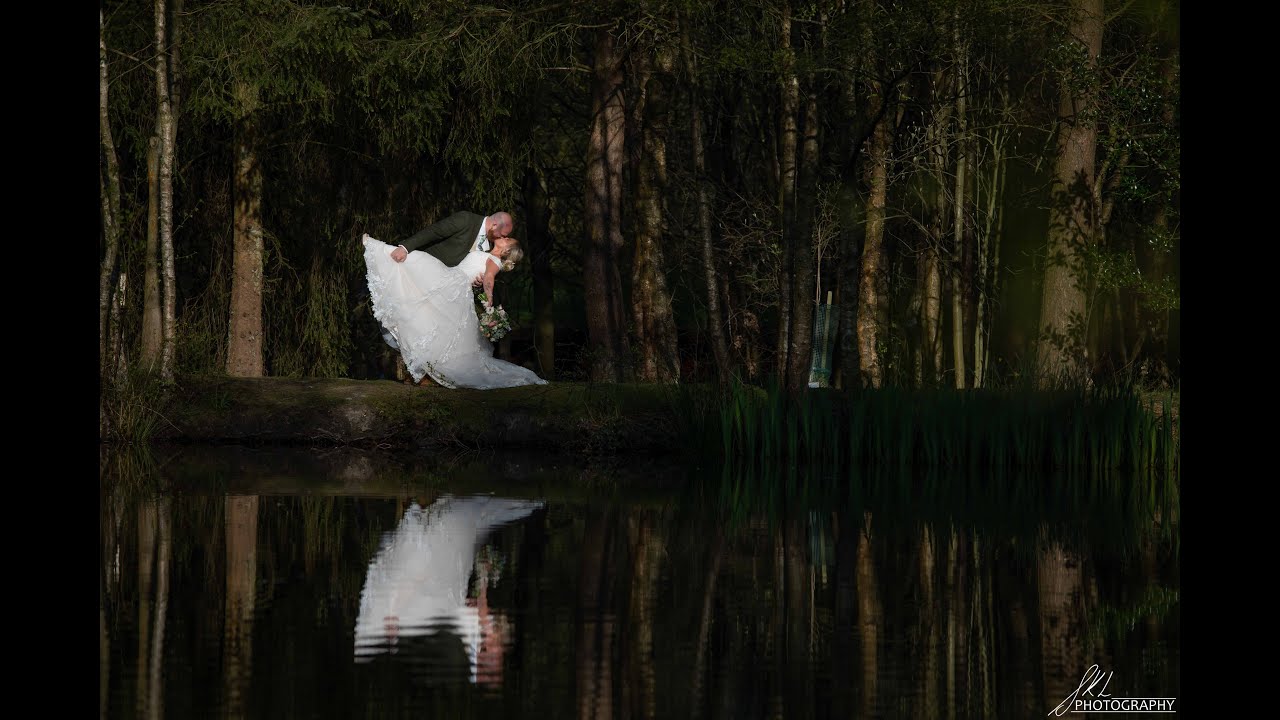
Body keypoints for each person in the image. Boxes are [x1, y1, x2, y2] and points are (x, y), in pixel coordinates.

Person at [353, 495, 544, 686]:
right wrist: (484, 577)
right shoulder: (476, 629)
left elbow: (480, 610)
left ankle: (394, 607)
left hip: (447, 583)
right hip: (450, 582)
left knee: (422, 569)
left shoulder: (472, 630)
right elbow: (480, 606)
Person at [361, 230, 548, 389]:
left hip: (453, 286)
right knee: (427, 313)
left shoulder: (493, 262)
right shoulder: (488, 254)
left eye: (508, 239)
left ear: (506, 250)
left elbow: (489, 279)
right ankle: (426, 371)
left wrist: (489, 301)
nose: (504, 236)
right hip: (453, 284)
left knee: (418, 260)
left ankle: (377, 248)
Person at [390, 211, 514, 268]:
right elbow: (434, 231)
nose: (502, 238)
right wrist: (405, 248)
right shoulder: (466, 220)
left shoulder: (487, 248)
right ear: (495, 225)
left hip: (447, 287)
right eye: (502, 234)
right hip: (424, 267)